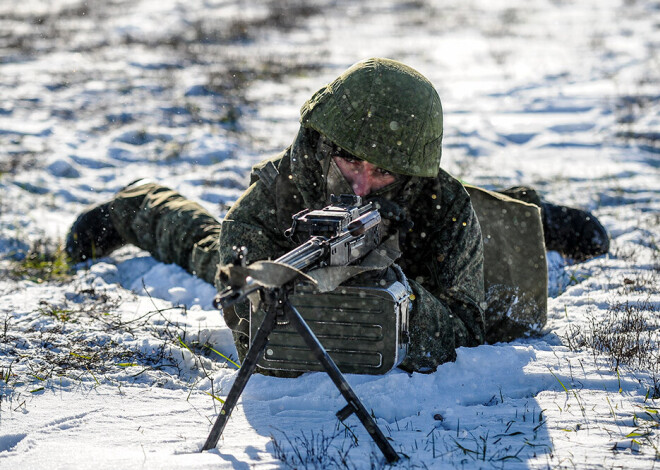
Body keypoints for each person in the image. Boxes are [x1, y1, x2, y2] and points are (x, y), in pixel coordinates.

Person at [66, 58, 609, 373]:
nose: (363, 183)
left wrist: (395, 300)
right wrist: (272, 287)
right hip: (294, 255)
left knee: (504, 253)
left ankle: (527, 207)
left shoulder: (443, 206)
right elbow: (233, 271)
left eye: (384, 173)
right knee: (208, 252)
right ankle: (137, 204)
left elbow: (467, 328)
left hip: (420, 267)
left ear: (410, 174)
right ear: (327, 144)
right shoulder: (292, 179)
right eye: (352, 161)